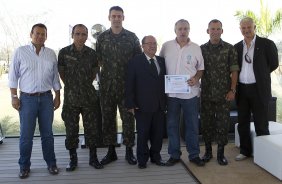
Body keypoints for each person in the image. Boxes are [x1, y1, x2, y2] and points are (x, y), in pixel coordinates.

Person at [8, 23, 61, 179]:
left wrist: (58, 95)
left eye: (43, 34)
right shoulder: (20, 52)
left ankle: (51, 163)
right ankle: (24, 166)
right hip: (27, 100)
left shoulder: (51, 54)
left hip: (46, 99)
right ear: (31, 34)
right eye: (37, 33)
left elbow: (55, 77)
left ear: (46, 36)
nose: (40, 36)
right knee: (26, 136)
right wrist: (14, 97)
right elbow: (13, 77)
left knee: (48, 135)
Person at [96, 6, 142, 165]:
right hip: (107, 87)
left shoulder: (131, 37)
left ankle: (129, 151)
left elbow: (138, 61)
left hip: (127, 87)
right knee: (108, 119)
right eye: (114, 16)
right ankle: (111, 152)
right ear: (109, 17)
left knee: (128, 119)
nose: (116, 18)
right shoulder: (101, 38)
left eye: (119, 16)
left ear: (123, 17)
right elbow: (99, 61)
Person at [159, 19, 205, 167]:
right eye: (180, 29)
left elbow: (201, 68)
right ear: (175, 30)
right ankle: (174, 155)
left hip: (190, 94)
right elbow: (160, 64)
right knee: (172, 125)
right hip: (171, 95)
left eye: (185, 28)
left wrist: (196, 78)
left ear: (189, 30)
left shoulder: (196, 48)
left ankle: (194, 155)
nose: (183, 31)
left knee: (192, 125)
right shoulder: (166, 46)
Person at [58, 24, 103, 170]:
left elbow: (93, 74)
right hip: (71, 99)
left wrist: (82, 86)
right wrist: (73, 86)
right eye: (77, 34)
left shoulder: (92, 54)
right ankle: (73, 159)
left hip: (89, 98)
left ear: (86, 36)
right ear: (72, 35)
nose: (80, 37)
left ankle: (93, 157)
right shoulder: (64, 53)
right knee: (71, 129)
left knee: (92, 129)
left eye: (84, 34)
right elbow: (62, 74)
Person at [234, 17, 279, 161]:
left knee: (261, 122)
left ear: (255, 27)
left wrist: (261, 75)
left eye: (249, 27)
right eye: (243, 28)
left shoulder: (266, 44)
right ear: (240, 29)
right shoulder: (237, 47)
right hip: (242, 90)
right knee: (243, 122)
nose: (246, 30)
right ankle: (245, 151)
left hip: (259, 89)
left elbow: (273, 64)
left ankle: (264, 154)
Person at [200, 19, 239, 166]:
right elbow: (197, 70)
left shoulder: (230, 48)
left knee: (223, 124)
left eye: (218, 29)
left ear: (222, 31)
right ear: (207, 31)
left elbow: (234, 70)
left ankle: (221, 154)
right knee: (206, 124)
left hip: (224, 95)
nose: (215, 31)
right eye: (212, 29)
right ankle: (208, 152)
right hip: (206, 94)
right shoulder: (201, 49)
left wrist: (233, 90)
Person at [125, 35, 166, 169]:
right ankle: (142, 159)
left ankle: (156, 157)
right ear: (142, 46)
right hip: (142, 105)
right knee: (143, 134)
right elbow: (129, 84)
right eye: (149, 43)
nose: (152, 46)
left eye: (154, 43)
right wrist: (130, 104)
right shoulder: (135, 62)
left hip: (160, 105)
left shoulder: (161, 61)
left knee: (158, 133)